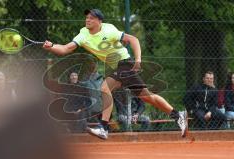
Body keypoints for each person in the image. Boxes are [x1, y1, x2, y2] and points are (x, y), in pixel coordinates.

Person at [43, 9, 187, 139]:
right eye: (87, 17)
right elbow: (65, 49)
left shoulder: (109, 30)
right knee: (148, 97)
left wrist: (138, 60)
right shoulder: (83, 34)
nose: (87, 20)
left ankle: (104, 127)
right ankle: (178, 115)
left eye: (91, 18)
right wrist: (51, 47)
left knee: (105, 88)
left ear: (100, 21)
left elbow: (133, 39)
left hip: (125, 63)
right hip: (117, 68)